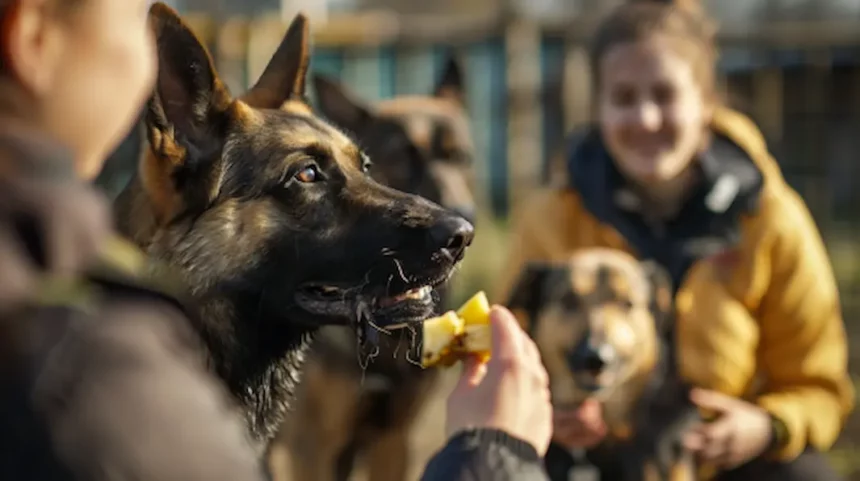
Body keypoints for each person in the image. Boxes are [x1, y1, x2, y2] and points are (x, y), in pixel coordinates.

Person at [0, 0, 552, 480]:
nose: (140, 62)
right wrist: (490, 454)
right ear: (34, 39)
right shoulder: (92, 377)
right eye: (308, 178)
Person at [494, 1, 854, 480]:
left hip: (725, 462)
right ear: (598, 107)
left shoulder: (769, 216)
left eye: (665, 94)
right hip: (586, 455)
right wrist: (541, 415)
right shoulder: (553, 216)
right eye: (623, 98)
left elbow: (820, 384)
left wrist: (769, 425)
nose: (645, 118)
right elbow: (496, 353)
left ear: (706, 102)